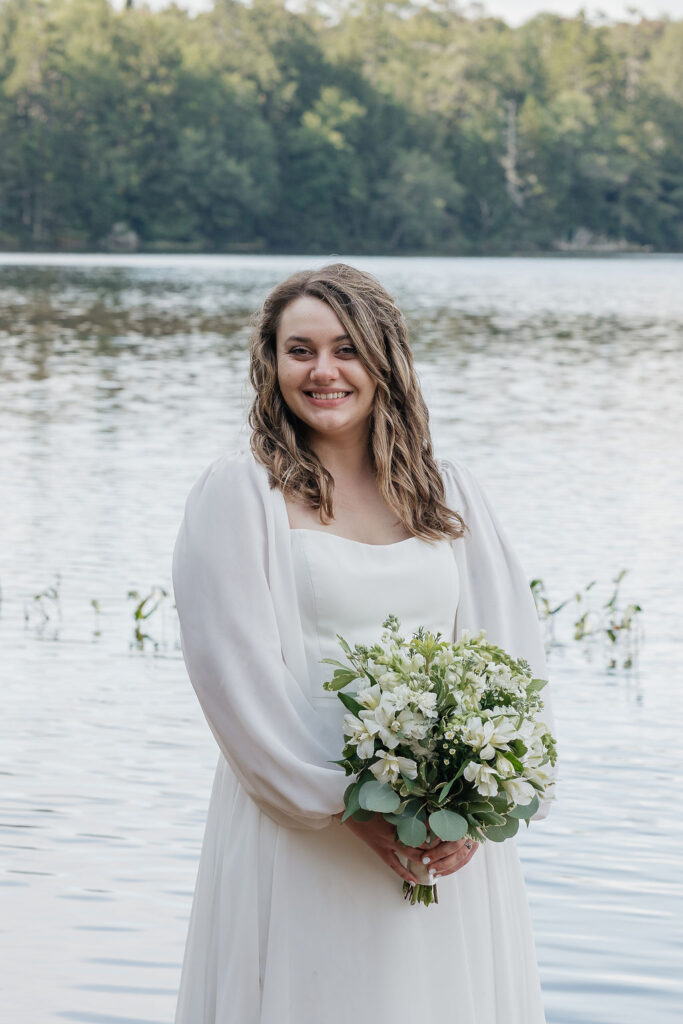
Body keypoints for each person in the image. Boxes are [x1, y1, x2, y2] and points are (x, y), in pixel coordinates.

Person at [172, 262, 555, 1024]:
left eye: (346, 349)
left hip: (442, 843)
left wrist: (475, 806)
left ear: (385, 359)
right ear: (270, 362)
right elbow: (233, 680)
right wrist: (348, 808)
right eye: (299, 350)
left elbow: (511, 656)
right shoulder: (239, 492)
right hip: (301, 823)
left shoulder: (448, 493)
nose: (322, 372)